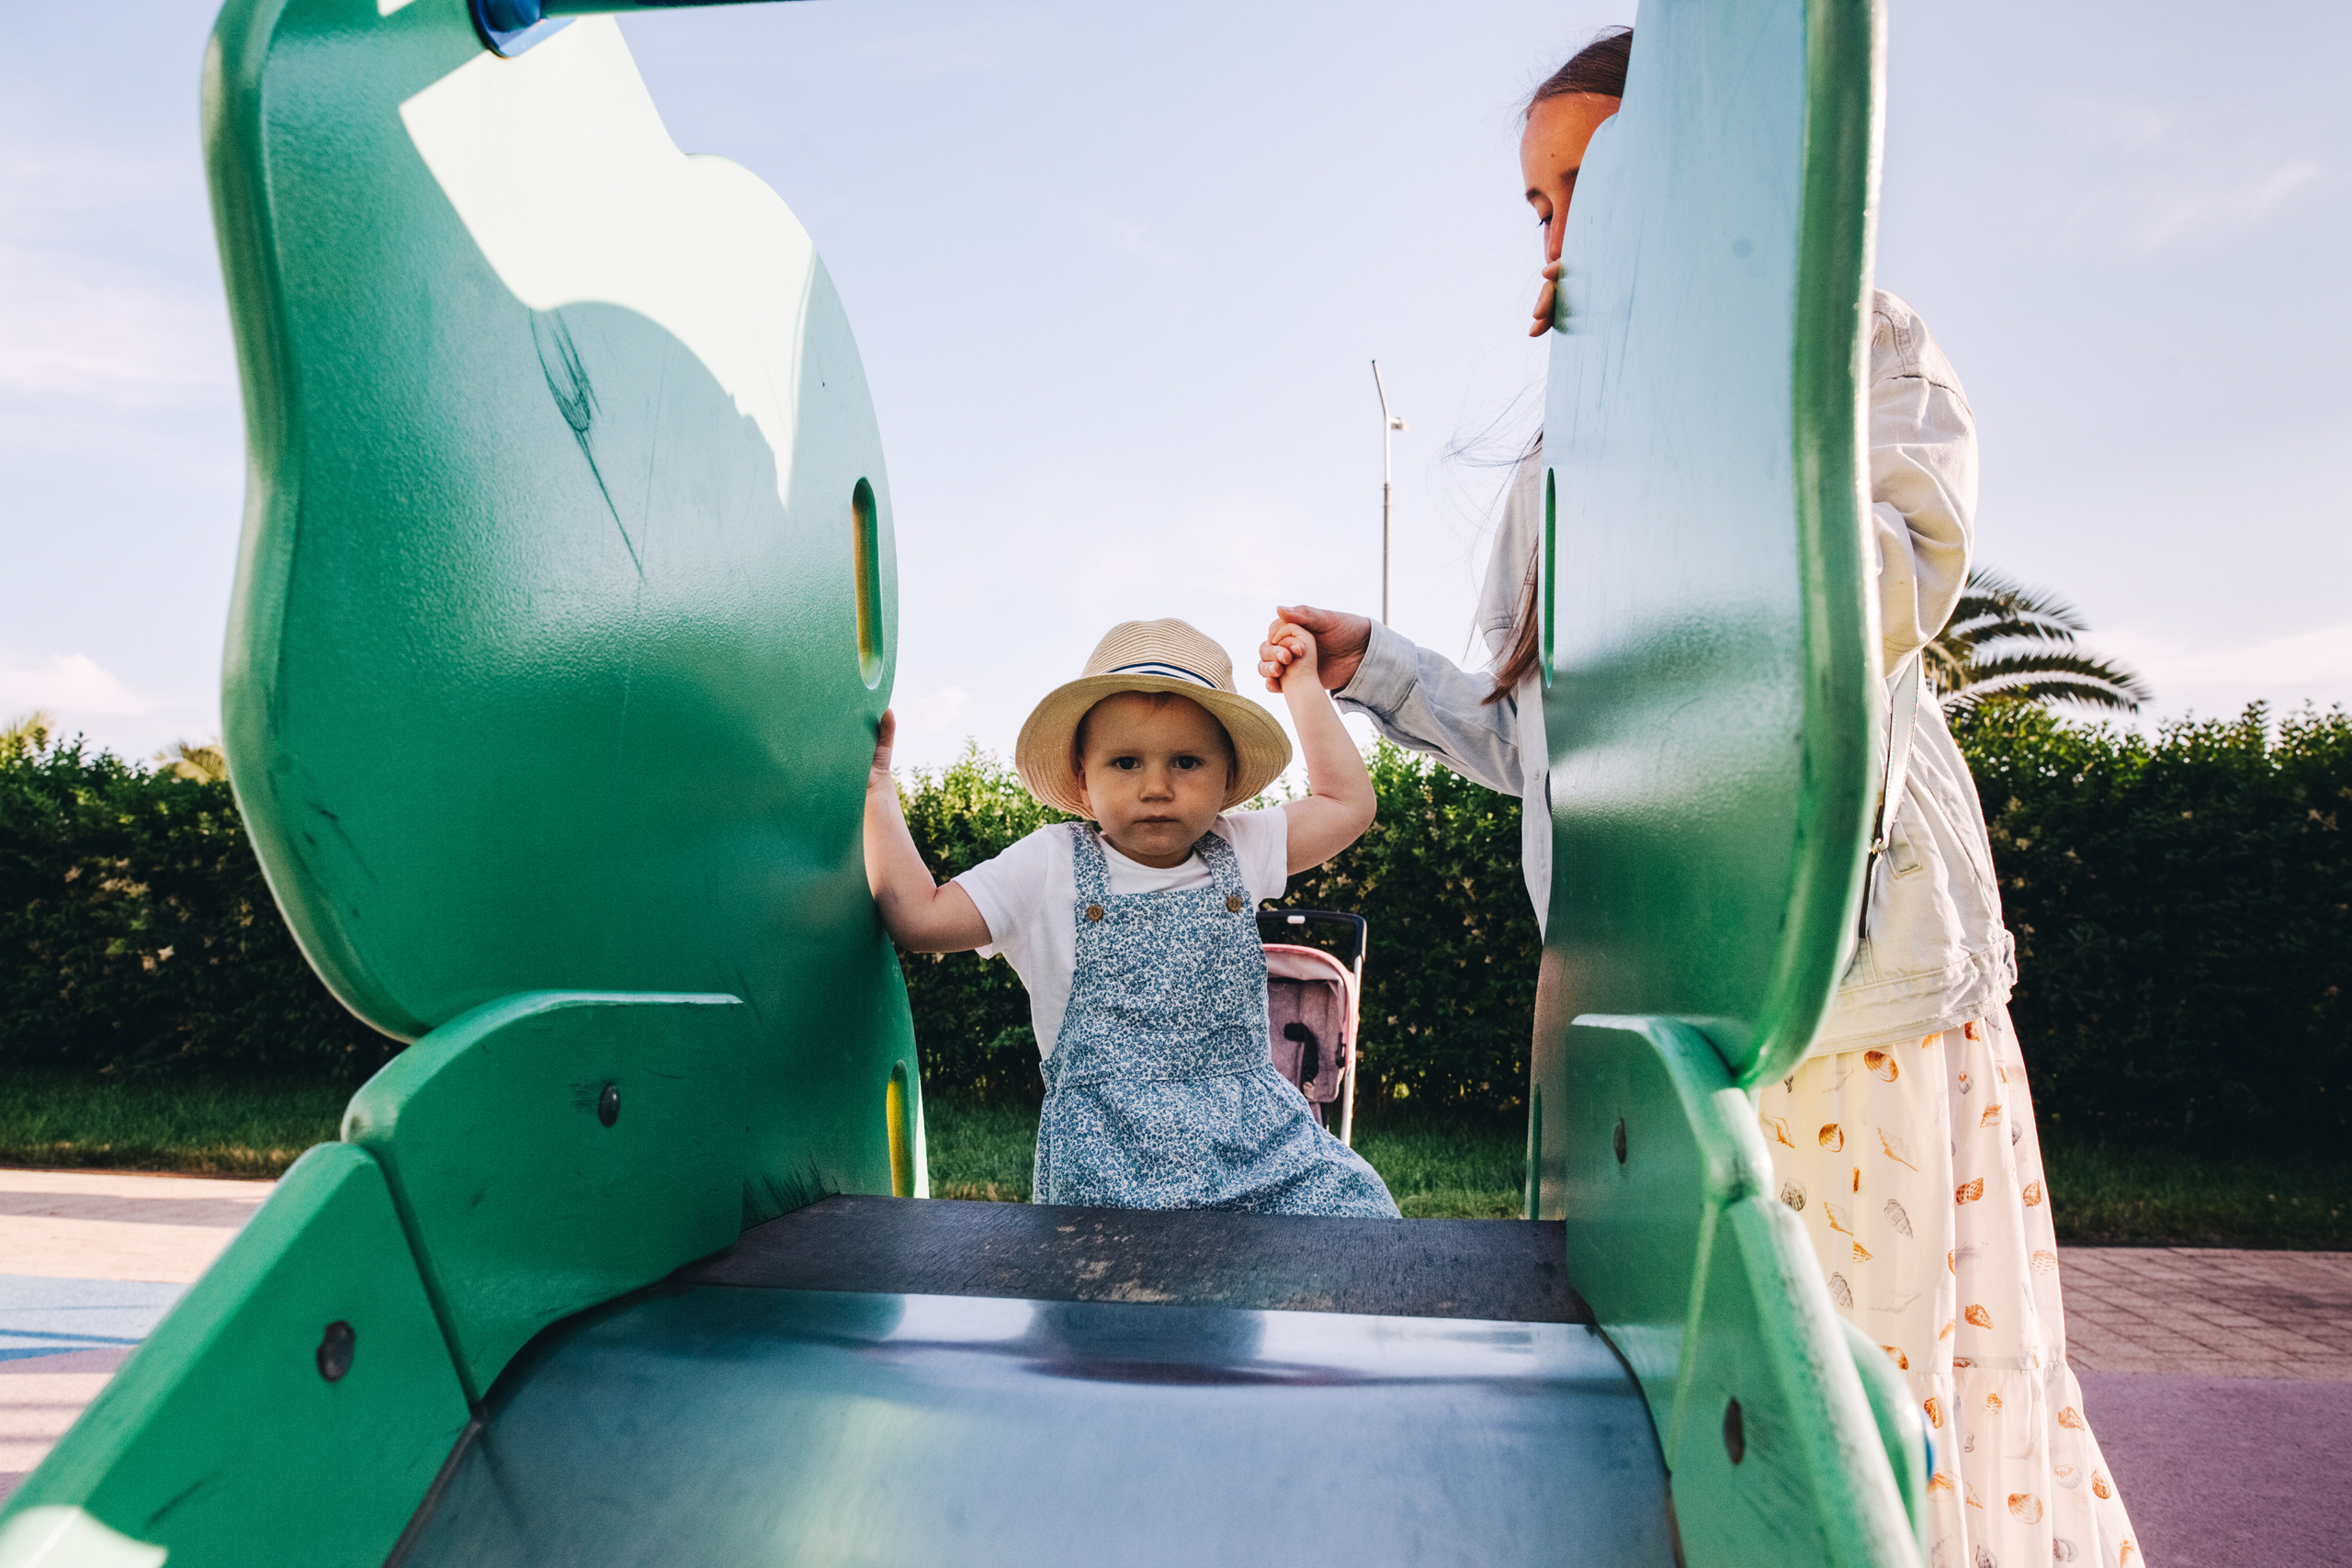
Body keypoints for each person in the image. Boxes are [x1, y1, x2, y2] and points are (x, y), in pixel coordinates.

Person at [1256, 28, 2142, 1568]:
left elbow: (1884, 580)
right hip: (1656, 1011)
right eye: (1540, 209)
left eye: (1590, 189)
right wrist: (1377, 663)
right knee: (1691, 1403)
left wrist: (1701, 412)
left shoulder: (1847, 350)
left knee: (1856, 1392)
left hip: (1841, 993)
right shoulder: (1559, 466)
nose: (1558, 234)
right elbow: (1552, 743)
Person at [865, 616, 1399, 1217]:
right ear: (1082, 780)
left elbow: (1348, 804)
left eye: (1187, 761)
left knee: (1364, 1217)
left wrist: (1302, 684)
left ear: (1227, 778)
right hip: (1112, 1175)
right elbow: (920, 917)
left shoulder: (1241, 848)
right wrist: (877, 789)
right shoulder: (1049, 866)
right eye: (1125, 762)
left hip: (1258, 1154)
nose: (1156, 787)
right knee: (1121, 1281)